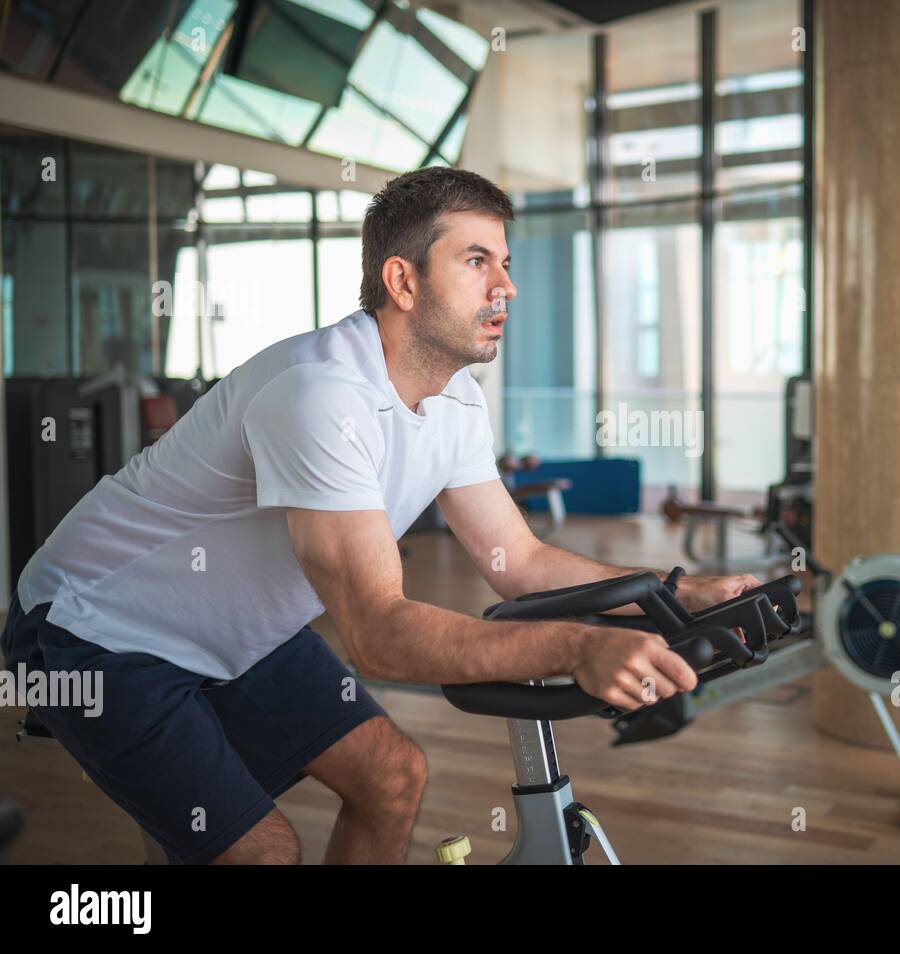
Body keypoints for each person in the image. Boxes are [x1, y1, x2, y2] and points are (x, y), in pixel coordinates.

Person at [0, 166, 757, 865]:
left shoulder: (456, 398)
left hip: (232, 629)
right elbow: (378, 635)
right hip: (99, 631)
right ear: (403, 279)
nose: (507, 287)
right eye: (476, 261)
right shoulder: (319, 394)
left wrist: (670, 590)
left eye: (507, 262)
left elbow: (515, 561)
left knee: (393, 776)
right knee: (265, 853)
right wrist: (575, 648)